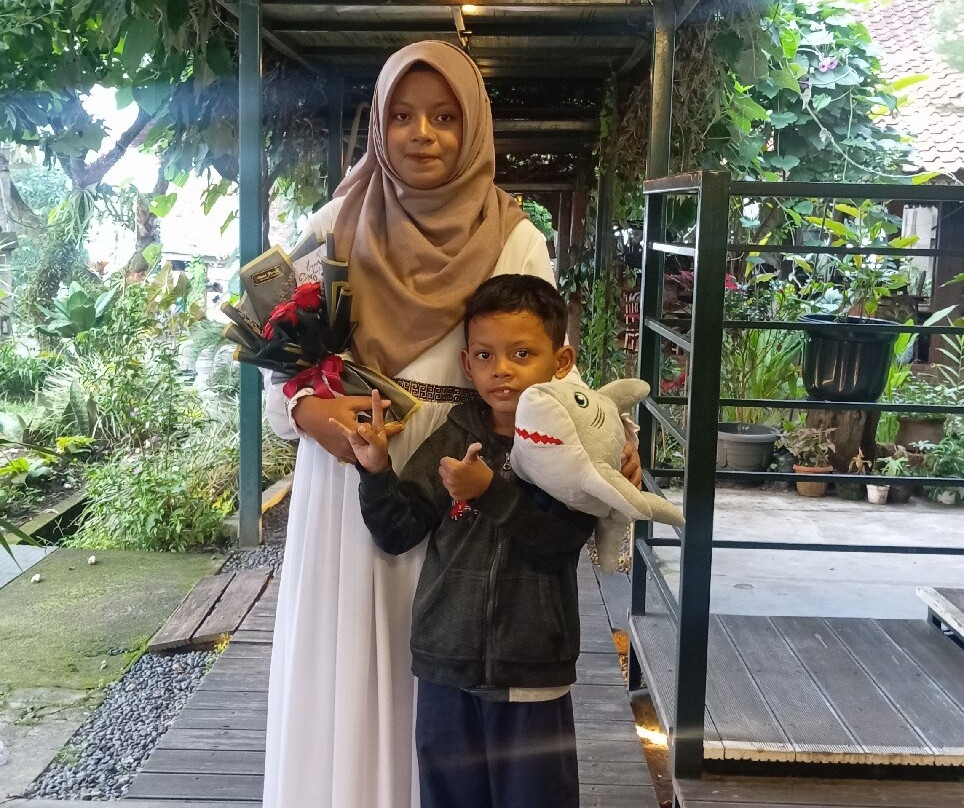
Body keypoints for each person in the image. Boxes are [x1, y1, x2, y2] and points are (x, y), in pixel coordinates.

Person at [261, 40, 640, 808]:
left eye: (444, 116)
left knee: (453, 682)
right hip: (353, 485)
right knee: (354, 672)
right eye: (402, 116)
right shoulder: (333, 226)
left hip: (464, 481)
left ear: (473, 128)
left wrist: (603, 438)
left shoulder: (512, 237)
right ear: (379, 125)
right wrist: (308, 410)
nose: (422, 134)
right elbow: (276, 365)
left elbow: (540, 363)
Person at [335, 275, 593, 808]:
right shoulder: (455, 436)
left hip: (532, 670)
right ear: (466, 364)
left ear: (561, 361)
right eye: (485, 355)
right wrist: (376, 471)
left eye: (522, 353)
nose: (502, 369)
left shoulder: (572, 447)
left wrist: (489, 492)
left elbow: (562, 540)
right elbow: (397, 531)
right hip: (444, 665)